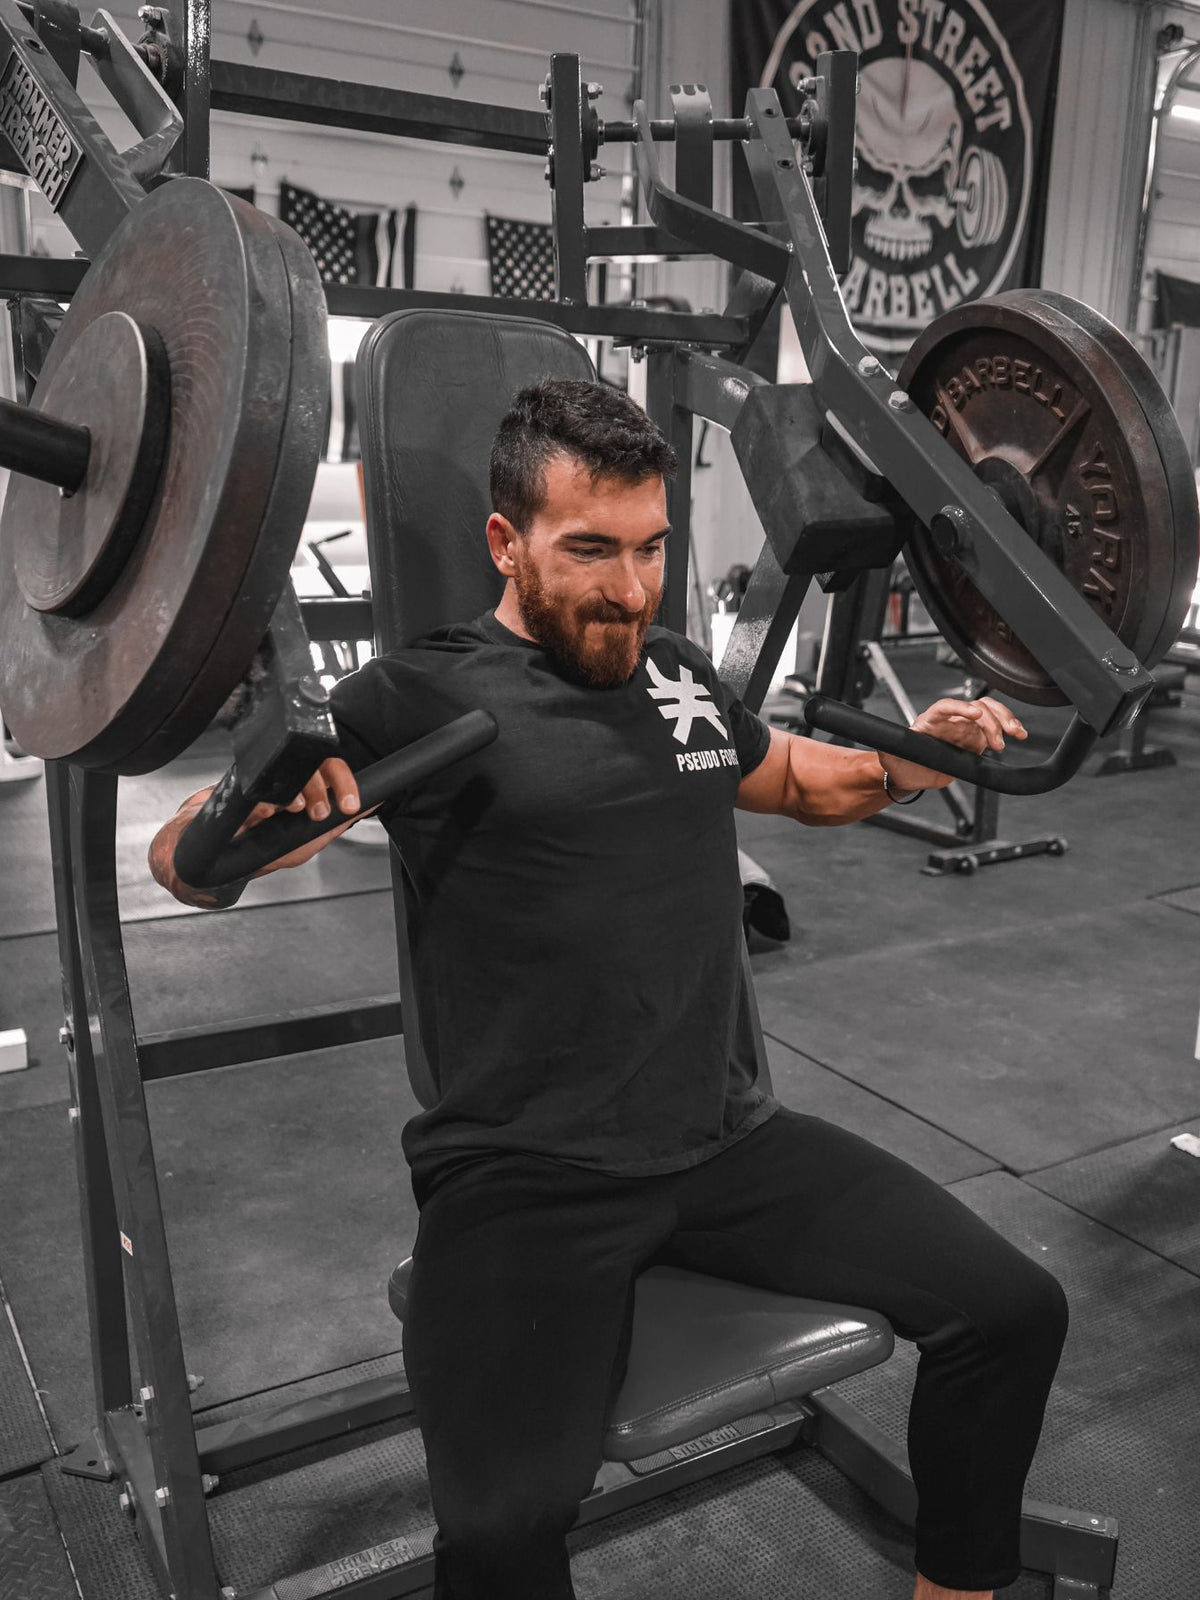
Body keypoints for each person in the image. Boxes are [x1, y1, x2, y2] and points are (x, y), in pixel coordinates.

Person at [150, 381, 1068, 1600]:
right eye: (589, 550)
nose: (630, 589)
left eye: (650, 549)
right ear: (506, 544)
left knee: (1011, 1312)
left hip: (728, 1140)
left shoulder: (676, 675)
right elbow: (187, 866)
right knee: (499, 1528)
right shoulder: (414, 694)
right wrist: (242, 817)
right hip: (524, 1174)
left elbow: (800, 780)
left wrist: (913, 757)